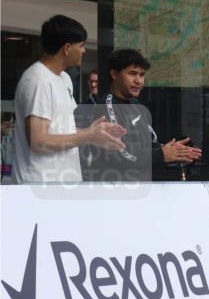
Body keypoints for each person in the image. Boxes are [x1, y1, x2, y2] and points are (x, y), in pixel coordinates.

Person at [12, 15, 125, 184]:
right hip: (38, 187)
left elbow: (62, 131)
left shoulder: (64, 78)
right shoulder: (38, 81)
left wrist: (95, 134)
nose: (84, 51)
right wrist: (88, 135)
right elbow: (38, 141)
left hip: (63, 185)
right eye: (81, 45)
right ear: (67, 48)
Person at [82, 49, 201, 182]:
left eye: (142, 75)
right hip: (114, 193)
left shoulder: (136, 105)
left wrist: (173, 150)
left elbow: (149, 144)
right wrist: (162, 154)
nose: (138, 81)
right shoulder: (107, 106)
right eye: (132, 74)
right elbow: (120, 154)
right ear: (114, 74)